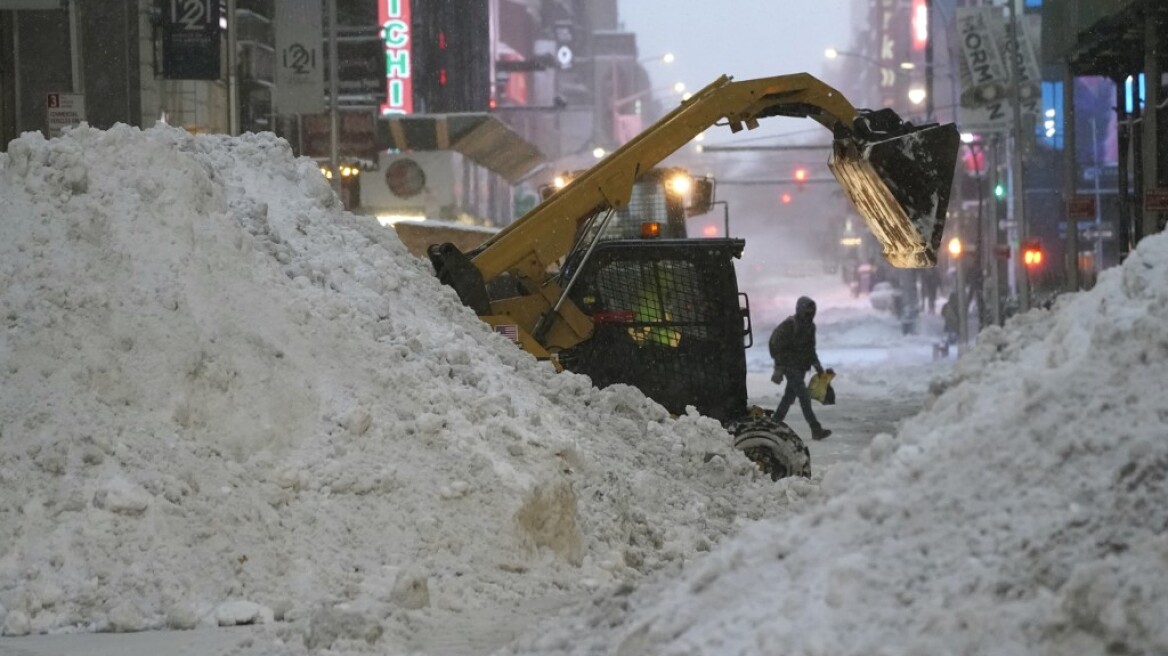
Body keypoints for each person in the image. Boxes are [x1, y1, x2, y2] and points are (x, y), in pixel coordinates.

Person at [768, 296, 832, 440]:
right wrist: (780, 365)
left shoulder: (810, 327)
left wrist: (818, 368)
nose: (809, 316)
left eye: (811, 313)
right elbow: (775, 345)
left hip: (801, 368)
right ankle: (815, 428)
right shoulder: (789, 325)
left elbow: (810, 349)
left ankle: (774, 424)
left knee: (788, 398)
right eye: (807, 313)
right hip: (791, 368)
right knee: (804, 397)